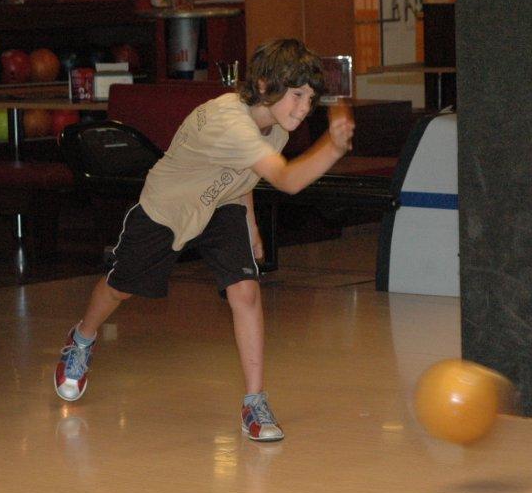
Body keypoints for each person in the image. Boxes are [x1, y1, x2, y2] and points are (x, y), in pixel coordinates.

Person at [54, 39, 355, 442]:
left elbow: (242, 174)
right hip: (168, 208)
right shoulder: (229, 120)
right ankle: (82, 337)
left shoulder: (276, 128)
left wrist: (250, 225)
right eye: (297, 95)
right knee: (120, 288)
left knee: (245, 292)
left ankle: (254, 401)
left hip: (222, 205)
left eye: (311, 99)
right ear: (264, 85)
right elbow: (286, 179)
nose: (304, 108)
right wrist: (333, 147)